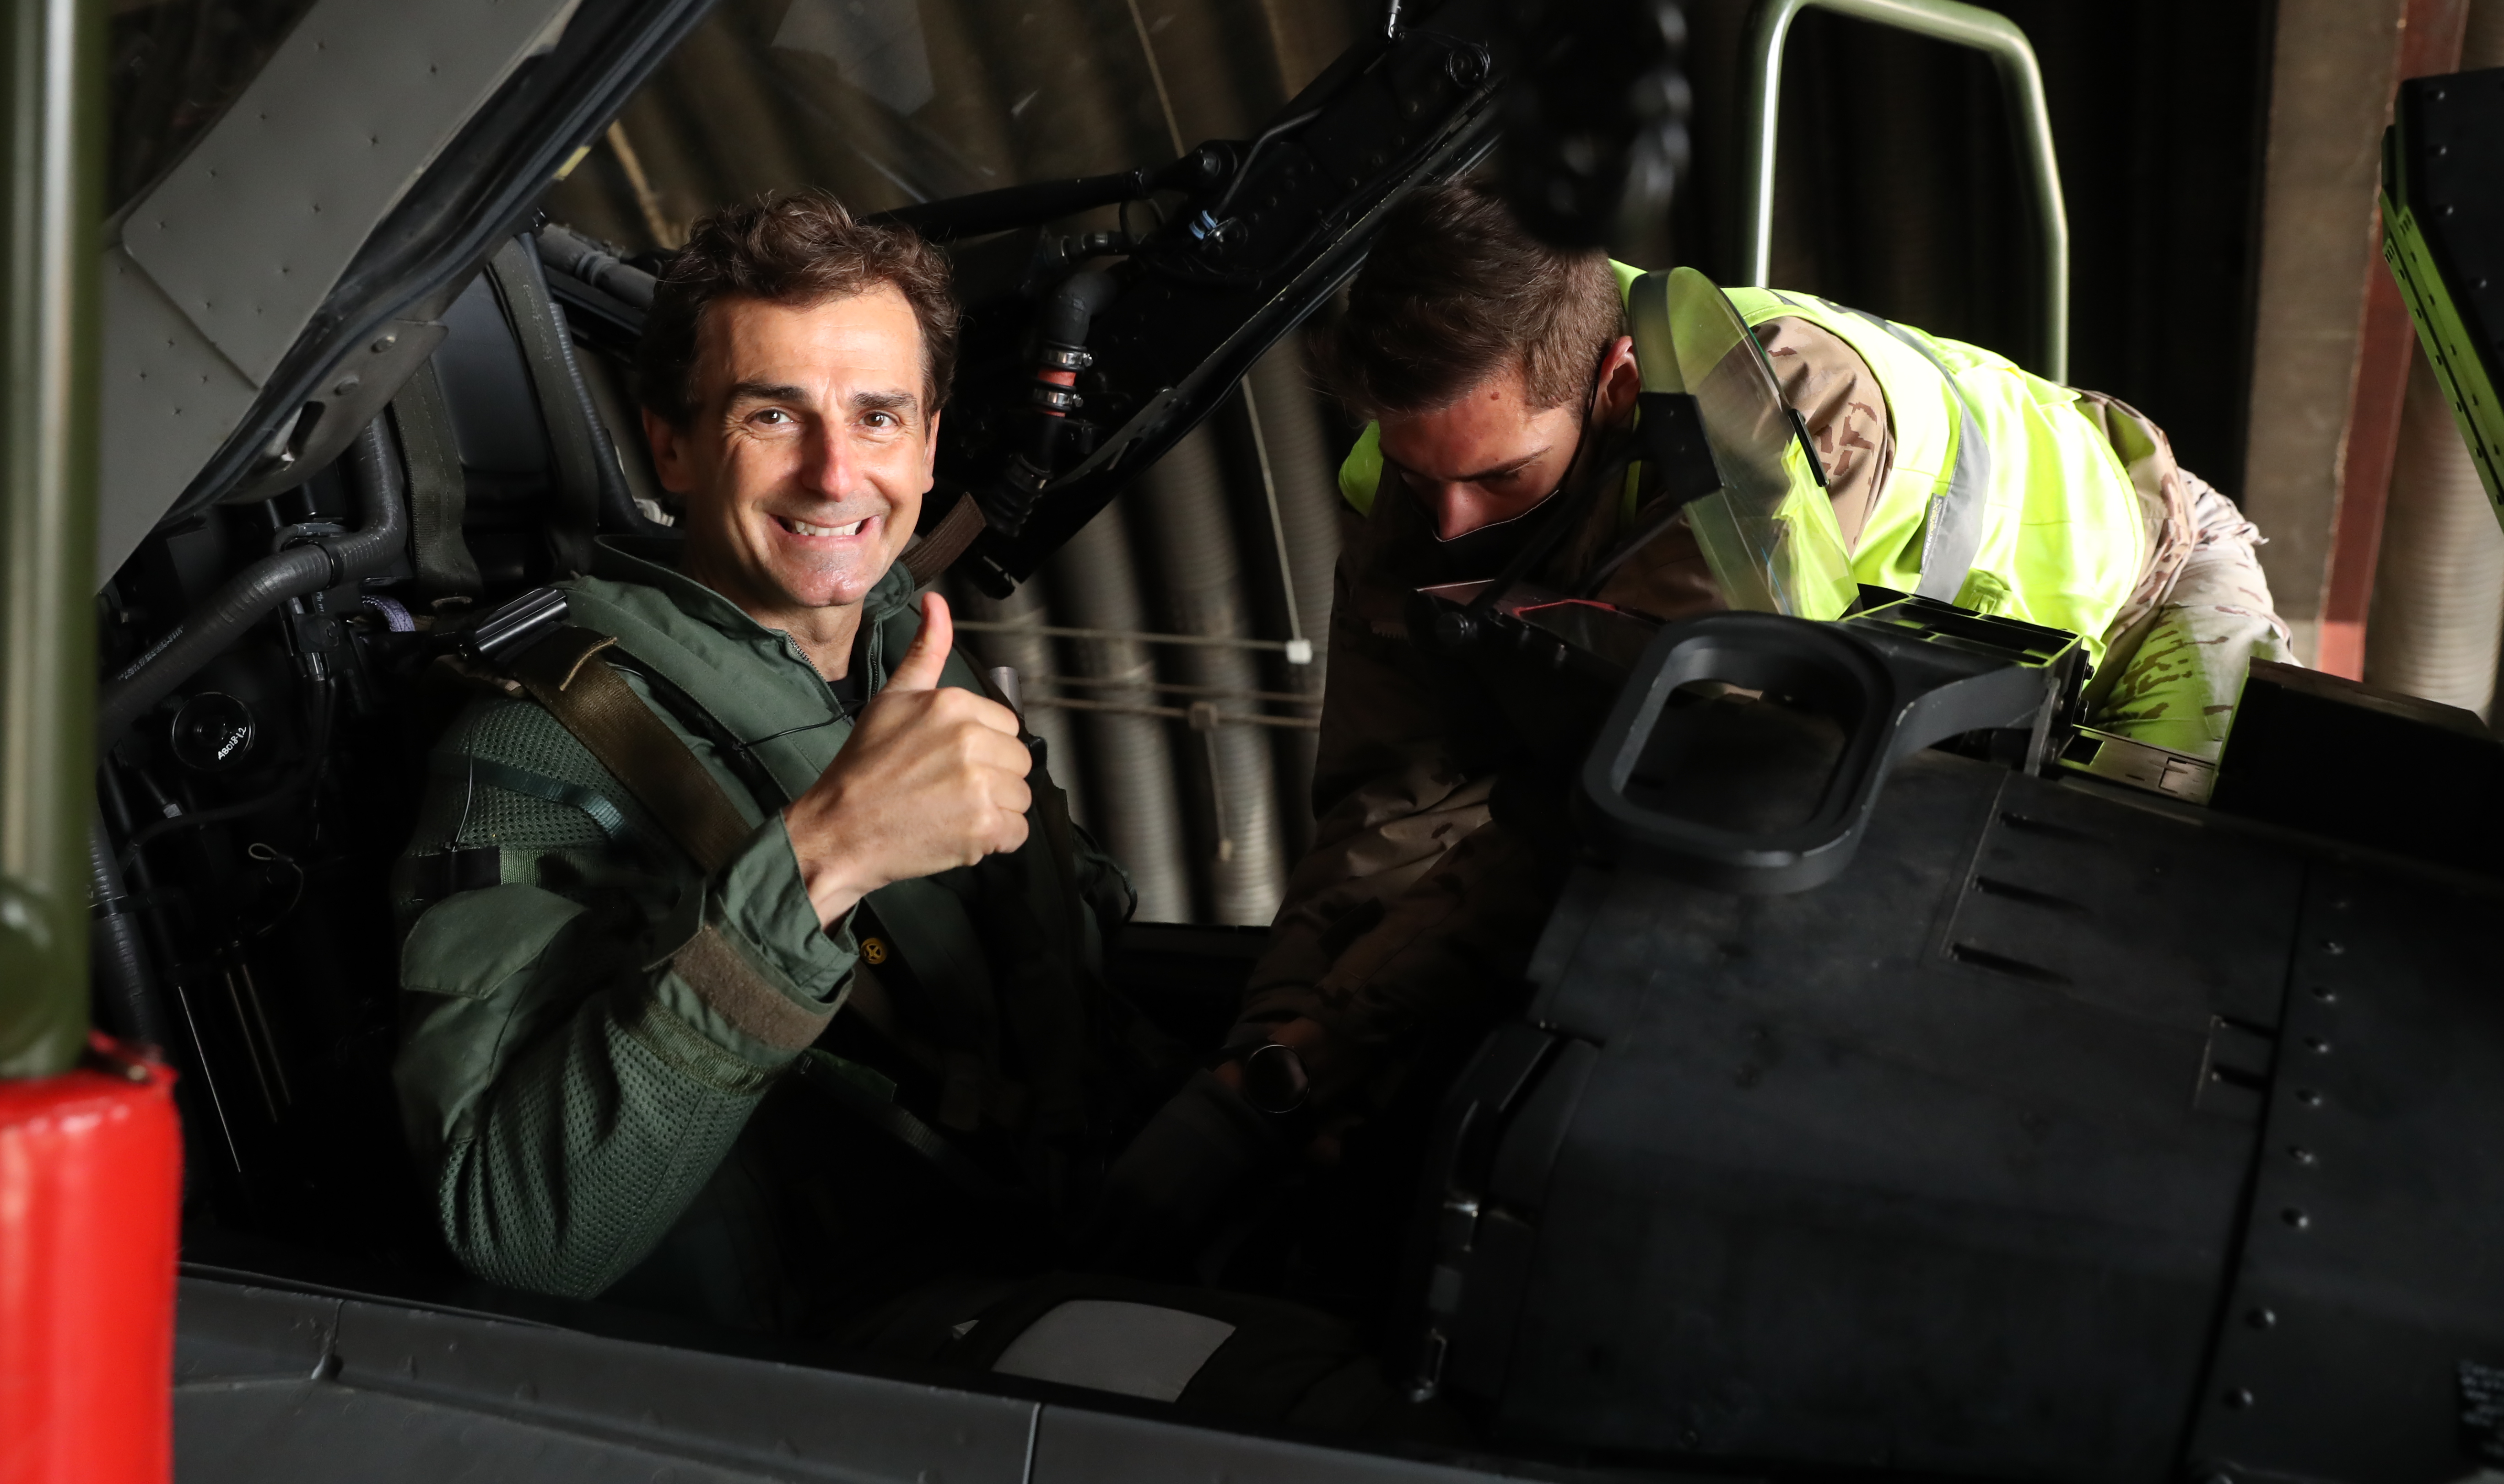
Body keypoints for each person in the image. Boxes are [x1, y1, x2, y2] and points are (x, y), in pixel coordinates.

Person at [1098, 180, 2294, 1274]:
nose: (1453, 524)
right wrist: (1265, 1052)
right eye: (1425, 483)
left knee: (2087, 1016)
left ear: (1614, 381)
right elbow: (1386, 794)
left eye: (1501, 482)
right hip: (1934, 670)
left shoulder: (1784, 427)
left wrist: (1330, 1051)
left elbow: (1630, 799)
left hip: (2151, 607)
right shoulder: (1412, 473)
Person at [390, 190, 1153, 1334]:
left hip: (1041, 1257)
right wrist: (824, 862)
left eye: (880, 417)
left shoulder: (916, 656)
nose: (836, 474)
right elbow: (520, 1227)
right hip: (815, 1361)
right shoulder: (542, 742)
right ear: (674, 444)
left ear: (934, 443)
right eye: (772, 417)